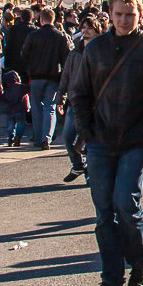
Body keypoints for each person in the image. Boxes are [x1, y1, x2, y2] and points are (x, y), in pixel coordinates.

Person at [70, 0, 143, 286]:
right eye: (118, 14)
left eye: (130, 15)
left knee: (125, 204)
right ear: (110, 14)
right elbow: (80, 93)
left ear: (140, 15)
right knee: (104, 212)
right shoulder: (96, 49)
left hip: (136, 140)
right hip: (101, 141)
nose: (123, 20)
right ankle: (111, 277)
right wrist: (86, 132)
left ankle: (141, 260)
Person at [21, 8, 72, 150]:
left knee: (36, 107)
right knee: (50, 107)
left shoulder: (33, 35)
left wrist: (30, 67)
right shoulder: (60, 36)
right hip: (54, 76)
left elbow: (24, 54)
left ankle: (37, 137)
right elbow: (66, 57)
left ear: (41, 20)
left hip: (36, 75)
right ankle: (46, 138)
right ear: (53, 19)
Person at [58, 15, 100, 183]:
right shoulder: (76, 51)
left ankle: (90, 170)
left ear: (97, 30)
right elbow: (66, 75)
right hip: (75, 101)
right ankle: (78, 165)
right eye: (83, 27)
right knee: (68, 137)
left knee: (89, 138)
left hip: (94, 103)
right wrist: (61, 96)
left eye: (89, 28)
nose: (85, 30)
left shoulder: (101, 51)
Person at [0, 70, 30, 147]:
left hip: (10, 111)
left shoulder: (7, 90)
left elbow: (3, 99)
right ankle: (18, 136)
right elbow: (29, 88)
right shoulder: (21, 87)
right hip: (20, 110)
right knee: (21, 124)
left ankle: (10, 139)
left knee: (10, 126)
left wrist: (0, 93)